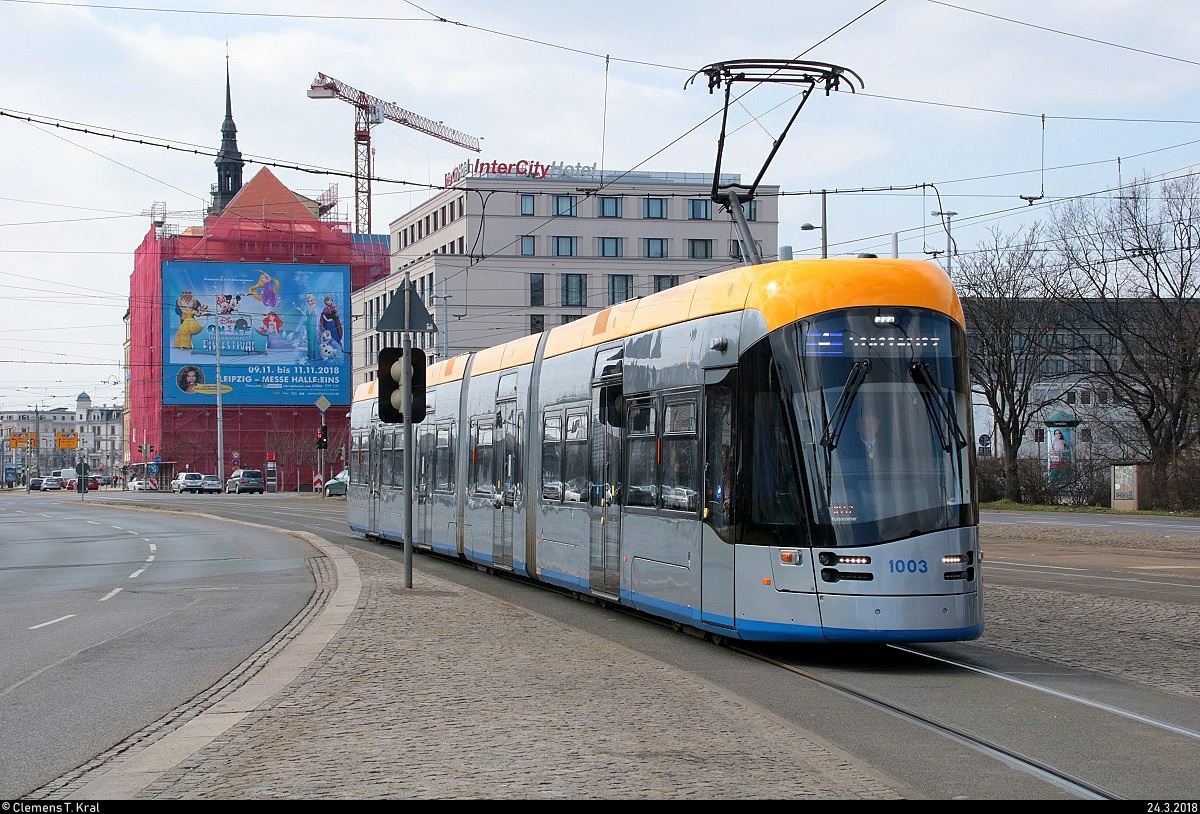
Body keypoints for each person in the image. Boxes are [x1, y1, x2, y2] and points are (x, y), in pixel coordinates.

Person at [298, 294, 321, 361]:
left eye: (311, 300)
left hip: (313, 325)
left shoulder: (315, 308)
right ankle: (311, 356)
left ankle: (316, 355)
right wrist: (300, 310)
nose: (309, 302)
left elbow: (317, 317)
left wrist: (317, 326)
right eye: (308, 301)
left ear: (314, 300)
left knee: (314, 339)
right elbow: (305, 315)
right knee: (310, 340)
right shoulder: (308, 308)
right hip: (308, 325)